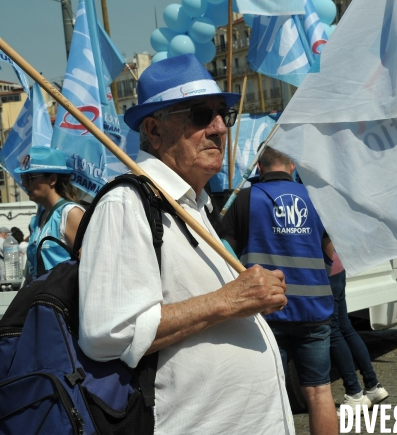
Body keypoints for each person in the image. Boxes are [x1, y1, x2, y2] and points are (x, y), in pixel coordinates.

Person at [78, 54, 293, 434]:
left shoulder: (196, 205)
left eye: (222, 115)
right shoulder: (126, 203)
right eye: (199, 115)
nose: (218, 128)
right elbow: (107, 332)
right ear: (154, 130)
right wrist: (230, 300)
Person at [222, 146, 338, 434]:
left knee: (268, 396)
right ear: (292, 166)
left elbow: (224, 257)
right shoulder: (316, 199)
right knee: (320, 391)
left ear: (259, 167)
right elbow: (335, 259)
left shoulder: (245, 199)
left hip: (266, 312)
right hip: (315, 311)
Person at [328, 253, 388, 409]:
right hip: (338, 267)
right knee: (345, 328)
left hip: (327, 271)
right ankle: (373, 385)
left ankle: (354, 393)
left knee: (334, 331)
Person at [14, 146, 84, 279]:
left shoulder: (70, 214)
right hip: (39, 296)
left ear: (52, 179)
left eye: (29, 177)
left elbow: (90, 265)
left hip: (64, 298)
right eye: (22, 177)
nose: (24, 184)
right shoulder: (38, 219)